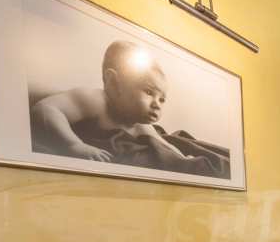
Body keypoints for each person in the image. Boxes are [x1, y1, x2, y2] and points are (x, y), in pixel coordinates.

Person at [31, 40, 189, 163]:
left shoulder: (140, 125)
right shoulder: (94, 100)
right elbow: (45, 108)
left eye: (162, 99)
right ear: (113, 83)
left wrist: (183, 158)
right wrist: (73, 145)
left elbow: (165, 146)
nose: (157, 104)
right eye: (149, 92)